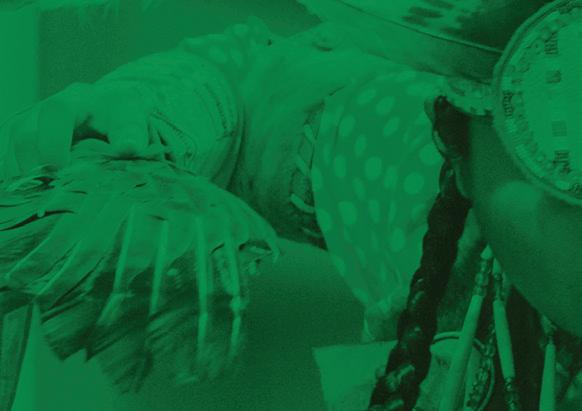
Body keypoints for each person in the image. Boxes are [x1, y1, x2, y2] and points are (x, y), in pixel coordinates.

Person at [2, 1, 582, 410]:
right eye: (563, 132)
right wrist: (140, 126)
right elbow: (252, 89)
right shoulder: (416, 173)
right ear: (455, 146)